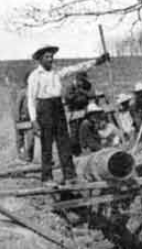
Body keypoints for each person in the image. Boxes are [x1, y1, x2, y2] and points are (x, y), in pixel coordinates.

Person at [27, 44, 110, 186]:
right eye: (47, 57)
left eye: (51, 56)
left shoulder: (56, 73)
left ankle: (69, 175)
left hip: (58, 107)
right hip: (44, 108)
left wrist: (97, 61)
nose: (50, 59)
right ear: (40, 59)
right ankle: (47, 178)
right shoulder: (35, 76)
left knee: (64, 142)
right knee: (47, 144)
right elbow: (31, 99)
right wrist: (33, 120)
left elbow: (77, 68)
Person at [64, 71, 94, 156]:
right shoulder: (70, 87)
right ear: (77, 80)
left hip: (84, 110)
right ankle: (75, 151)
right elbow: (68, 98)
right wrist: (78, 94)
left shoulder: (87, 85)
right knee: (74, 132)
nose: (82, 83)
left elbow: (91, 94)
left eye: (84, 80)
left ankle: (86, 147)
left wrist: (82, 91)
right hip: (74, 112)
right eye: (81, 81)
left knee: (86, 128)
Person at [13, 70, 35, 162]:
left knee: (31, 140)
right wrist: (17, 119)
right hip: (21, 119)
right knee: (20, 140)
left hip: (30, 120)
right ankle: (21, 157)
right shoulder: (22, 92)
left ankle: (29, 157)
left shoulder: (35, 92)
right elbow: (17, 106)